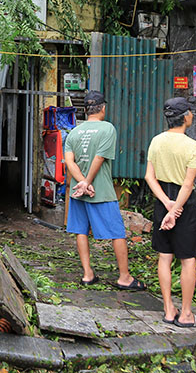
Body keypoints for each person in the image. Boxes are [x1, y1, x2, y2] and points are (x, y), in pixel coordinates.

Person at [64, 90, 146, 291]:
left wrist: (81, 182)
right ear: (102, 108)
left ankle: (87, 274)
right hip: (99, 191)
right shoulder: (107, 129)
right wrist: (88, 182)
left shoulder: (74, 132)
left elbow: (69, 161)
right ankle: (124, 277)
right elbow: (99, 158)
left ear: (85, 110)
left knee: (80, 231)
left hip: (78, 192)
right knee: (117, 233)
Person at [145, 97, 196, 328]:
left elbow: (150, 177)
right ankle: (186, 314)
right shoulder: (193, 146)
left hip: (164, 202)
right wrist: (177, 208)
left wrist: (167, 205)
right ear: (185, 116)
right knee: (188, 259)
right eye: (190, 111)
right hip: (184, 206)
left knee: (164, 257)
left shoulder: (156, 141)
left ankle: (169, 309)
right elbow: (188, 185)